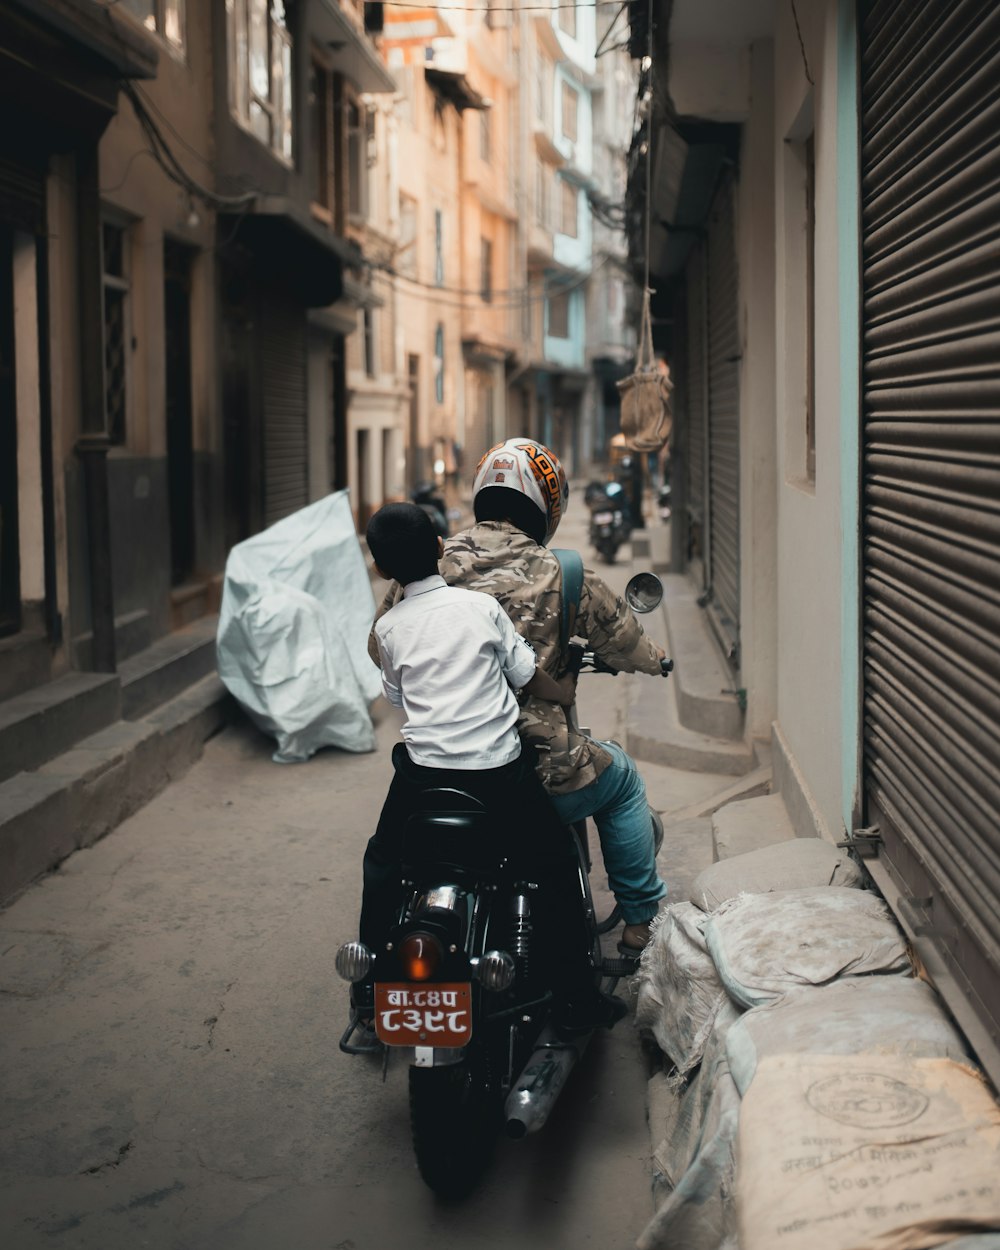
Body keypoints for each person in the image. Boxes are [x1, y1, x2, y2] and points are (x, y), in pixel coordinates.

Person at [369, 439, 668, 955]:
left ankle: (372, 971)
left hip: (432, 771)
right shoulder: (567, 573)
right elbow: (626, 644)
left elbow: (383, 646)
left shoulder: (424, 565)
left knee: (384, 857)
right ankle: (640, 921)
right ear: (547, 505)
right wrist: (658, 659)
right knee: (621, 782)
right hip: (531, 769)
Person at [357, 501, 627, 1033]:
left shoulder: (388, 629)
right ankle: (576, 996)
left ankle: (368, 989)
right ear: (439, 547)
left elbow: (397, 696)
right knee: (552, 870)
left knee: (383, 863)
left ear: (382, 570)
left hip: (423, 777)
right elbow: (529, 679)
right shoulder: (480, 610)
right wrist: (565, 688)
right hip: (498, 776)